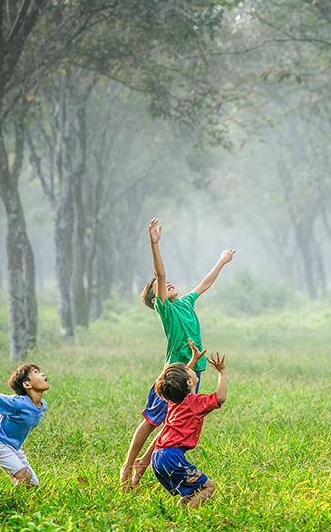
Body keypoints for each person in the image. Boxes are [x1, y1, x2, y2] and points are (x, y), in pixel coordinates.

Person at [119, 217, 234, 490]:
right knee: (150, 421)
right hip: (173, 373)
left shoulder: (185, 302)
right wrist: (154, 243)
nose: (167, 283)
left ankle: (143, 466)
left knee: (174, 422)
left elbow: (204, 284)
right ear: (154, 299)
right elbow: (160, 274)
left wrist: (221, 261)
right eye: (158, 286)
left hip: (194, 371)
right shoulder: (166, 310)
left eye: (167, 283)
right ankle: (128, 466)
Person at [151, 350, 227, 508]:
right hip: (172, 457)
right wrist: (222, 372)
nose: (191, 369)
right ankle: (188, 518)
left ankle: (179, 514)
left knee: (191, 491)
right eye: (189, 369)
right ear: (189, 383)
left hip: (157, 457)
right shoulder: (195, 403)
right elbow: (220, 397)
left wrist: (193, 360)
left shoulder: (174, 401)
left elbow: (177, 381)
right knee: (208, 487)